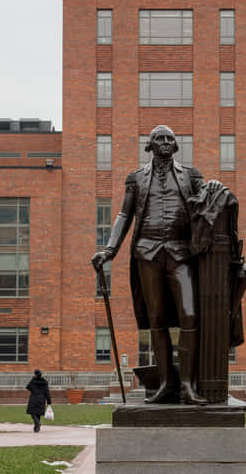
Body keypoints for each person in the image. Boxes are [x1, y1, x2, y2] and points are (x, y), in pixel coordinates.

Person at [92, 125, 223, 405]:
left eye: (170, 139)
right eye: (159, 138)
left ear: (176, 146)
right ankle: (165, 384)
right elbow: (124, 215)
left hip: (180, 253)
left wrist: (213, 189)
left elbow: (207, 207)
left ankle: (187, 385)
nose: (164, 142)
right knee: (157, 319)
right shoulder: (136, 178)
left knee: (189, 314)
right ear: (149, 145)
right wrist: (110, 249)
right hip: (147, 252)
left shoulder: (191, 175)